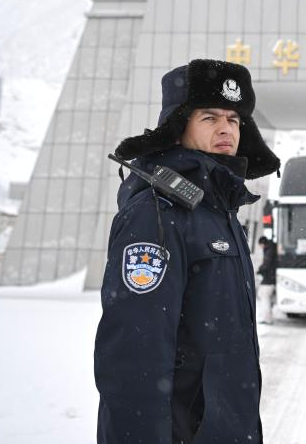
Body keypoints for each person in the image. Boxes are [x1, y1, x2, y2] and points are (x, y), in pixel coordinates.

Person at [94, 59, 280, 444]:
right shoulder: (156, 215)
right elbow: (134, 353)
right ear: (179, 127)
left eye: (233, 119)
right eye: (210, 118)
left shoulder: (220, 212)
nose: (226, 129)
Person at [256, 236, 277, 324]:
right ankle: (267, 316)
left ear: (262, 244)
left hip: (269, 277)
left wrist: (260, 270)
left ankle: (267, 318)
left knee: (264, 296)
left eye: (260, 245)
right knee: (264, 295)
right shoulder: (271, 247)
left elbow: (267, 263)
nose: (260, 247)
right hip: (271, 276)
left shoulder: (269, 250)